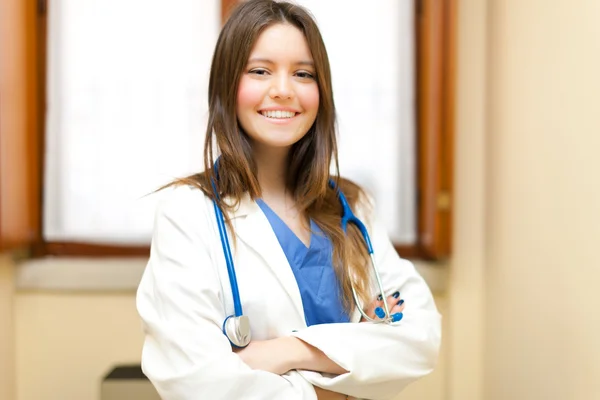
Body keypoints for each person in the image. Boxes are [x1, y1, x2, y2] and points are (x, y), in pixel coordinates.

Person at [136, 1, 441, 399]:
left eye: (303, 73)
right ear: (227, 85)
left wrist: (284, 352)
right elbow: (196, 381)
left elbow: (419, 339)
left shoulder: (351, 207)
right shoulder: (188, 213)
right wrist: (339, 386)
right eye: (260, 71)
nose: (283, 90)